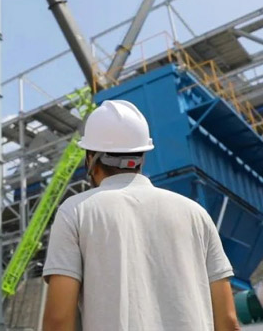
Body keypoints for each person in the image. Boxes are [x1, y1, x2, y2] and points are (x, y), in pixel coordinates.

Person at [42, 100, 240, 331]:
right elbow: (228, 321)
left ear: (90, 159)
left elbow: (58, 320)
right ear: (142, 157)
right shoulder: (196, 214)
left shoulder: (76, 211)